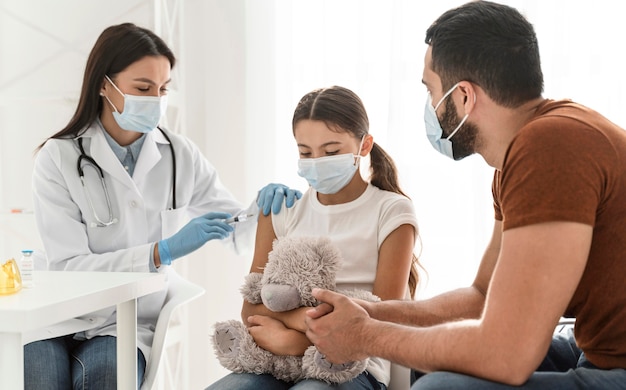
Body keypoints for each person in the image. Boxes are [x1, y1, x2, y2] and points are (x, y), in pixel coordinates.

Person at [303, 2, 626, 389]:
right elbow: (482, 293)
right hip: (595, 347)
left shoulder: (549, 146)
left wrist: (364, 336)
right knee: (427, 365)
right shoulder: (522, 154)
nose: (430, 107)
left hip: (615, 365)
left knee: (437, 388)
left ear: (464, 97)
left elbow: (506, 356)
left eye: (431, 90)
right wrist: (373, 312)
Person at [27, 22, 300, 390]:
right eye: (143, 88)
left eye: (162, 89)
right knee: (39, 378)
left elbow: (236, 226)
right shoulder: (59, 157)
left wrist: (267, 207)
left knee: (106, 377)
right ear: (104, 85)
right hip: (58, 313)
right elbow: (67, 267)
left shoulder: (179, 155)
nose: (155, 100)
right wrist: (161, 252)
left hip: (129, 317)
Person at [207, 85, 420, 390]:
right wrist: (296, 336)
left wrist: (294, 339)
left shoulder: (391, 211)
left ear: (364, 145)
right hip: (274, 357)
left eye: (331, 151)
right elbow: (251, 307)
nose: (317, 161)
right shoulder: (281, 210)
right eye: (305, 152)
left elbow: (382, 318)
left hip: (353, 366)